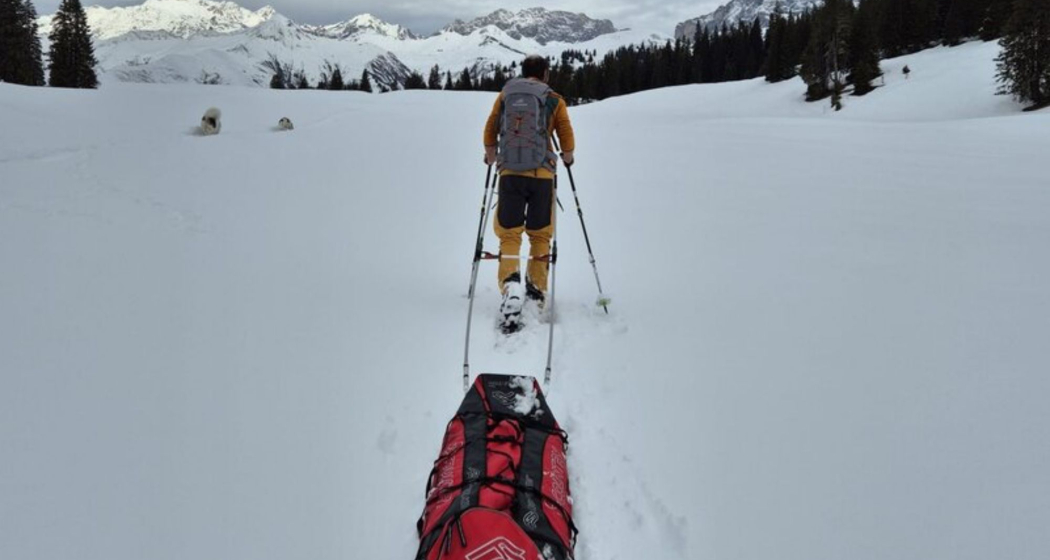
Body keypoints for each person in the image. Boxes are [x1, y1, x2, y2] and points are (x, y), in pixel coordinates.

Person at [483, 55, 575, 329]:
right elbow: (566, 137)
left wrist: (490, 155)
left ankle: (511, 285)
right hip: (542, 176)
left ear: (524, 73)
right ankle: (535, 291)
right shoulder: (554, 98)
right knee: (540, 234)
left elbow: (490, 129)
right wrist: (568, 158)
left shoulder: (506, 94)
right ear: (545, 74)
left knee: (509, 233)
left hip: (510, 173)